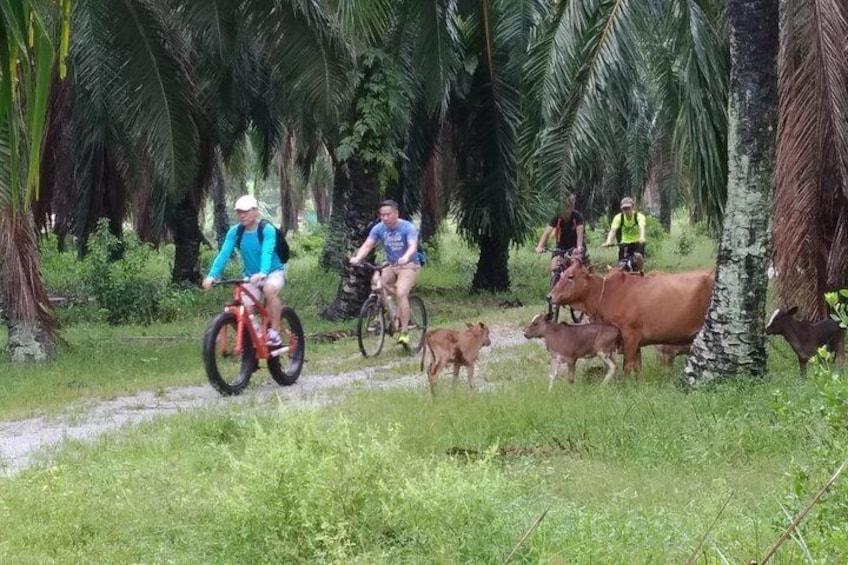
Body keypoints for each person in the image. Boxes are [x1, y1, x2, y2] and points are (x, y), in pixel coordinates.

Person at [202, 195, 287, 347]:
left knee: (269, 289)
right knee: (244, 309)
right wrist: (211, 276)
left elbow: (266, 252)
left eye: (246, 211)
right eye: (239, 212)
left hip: (273, 272)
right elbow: (224, 254)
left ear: (255, 211)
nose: (242, 215)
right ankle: (255, 339)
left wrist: (263, 272)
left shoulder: (266, 229)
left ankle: (274, 332)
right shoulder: (235, 232)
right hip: (250, 276)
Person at [350, 200, 421, 345]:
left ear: (396, 213)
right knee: (377, 282)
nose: (385, 218)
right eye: (382, 215)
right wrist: (358, 257)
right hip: (391, 264)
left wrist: (406, 257)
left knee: (401, 292)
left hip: (409, 265)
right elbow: (368, 244)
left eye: (388, 214)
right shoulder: (378, 228)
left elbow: (413, 246)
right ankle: (385, 312)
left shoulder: (407, 227)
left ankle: (404, 331)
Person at [535, 195, 586, 274]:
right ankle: (554, 285)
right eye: (565, 206)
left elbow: (580, 232)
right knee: (555, 266)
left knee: (575, 267)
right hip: (560, 248)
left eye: (570, 206)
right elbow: (547, 232)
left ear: (573, 206)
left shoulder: (578, 217)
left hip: (575, 247)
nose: (567, 209)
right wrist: (540, 246)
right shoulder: (556, 217)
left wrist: (579, 248)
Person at [603, 196, 647, 267]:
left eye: (628, 208)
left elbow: (641, 227)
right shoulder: (618, 218)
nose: (626, 210)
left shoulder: (639, 216)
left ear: (632, 207)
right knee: (622, 264)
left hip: (637, 243)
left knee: (638, 259)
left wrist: (642, 237)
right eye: (624, 209)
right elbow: (613, 231)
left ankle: (640, 271)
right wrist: (608, 241)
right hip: (625, 243)